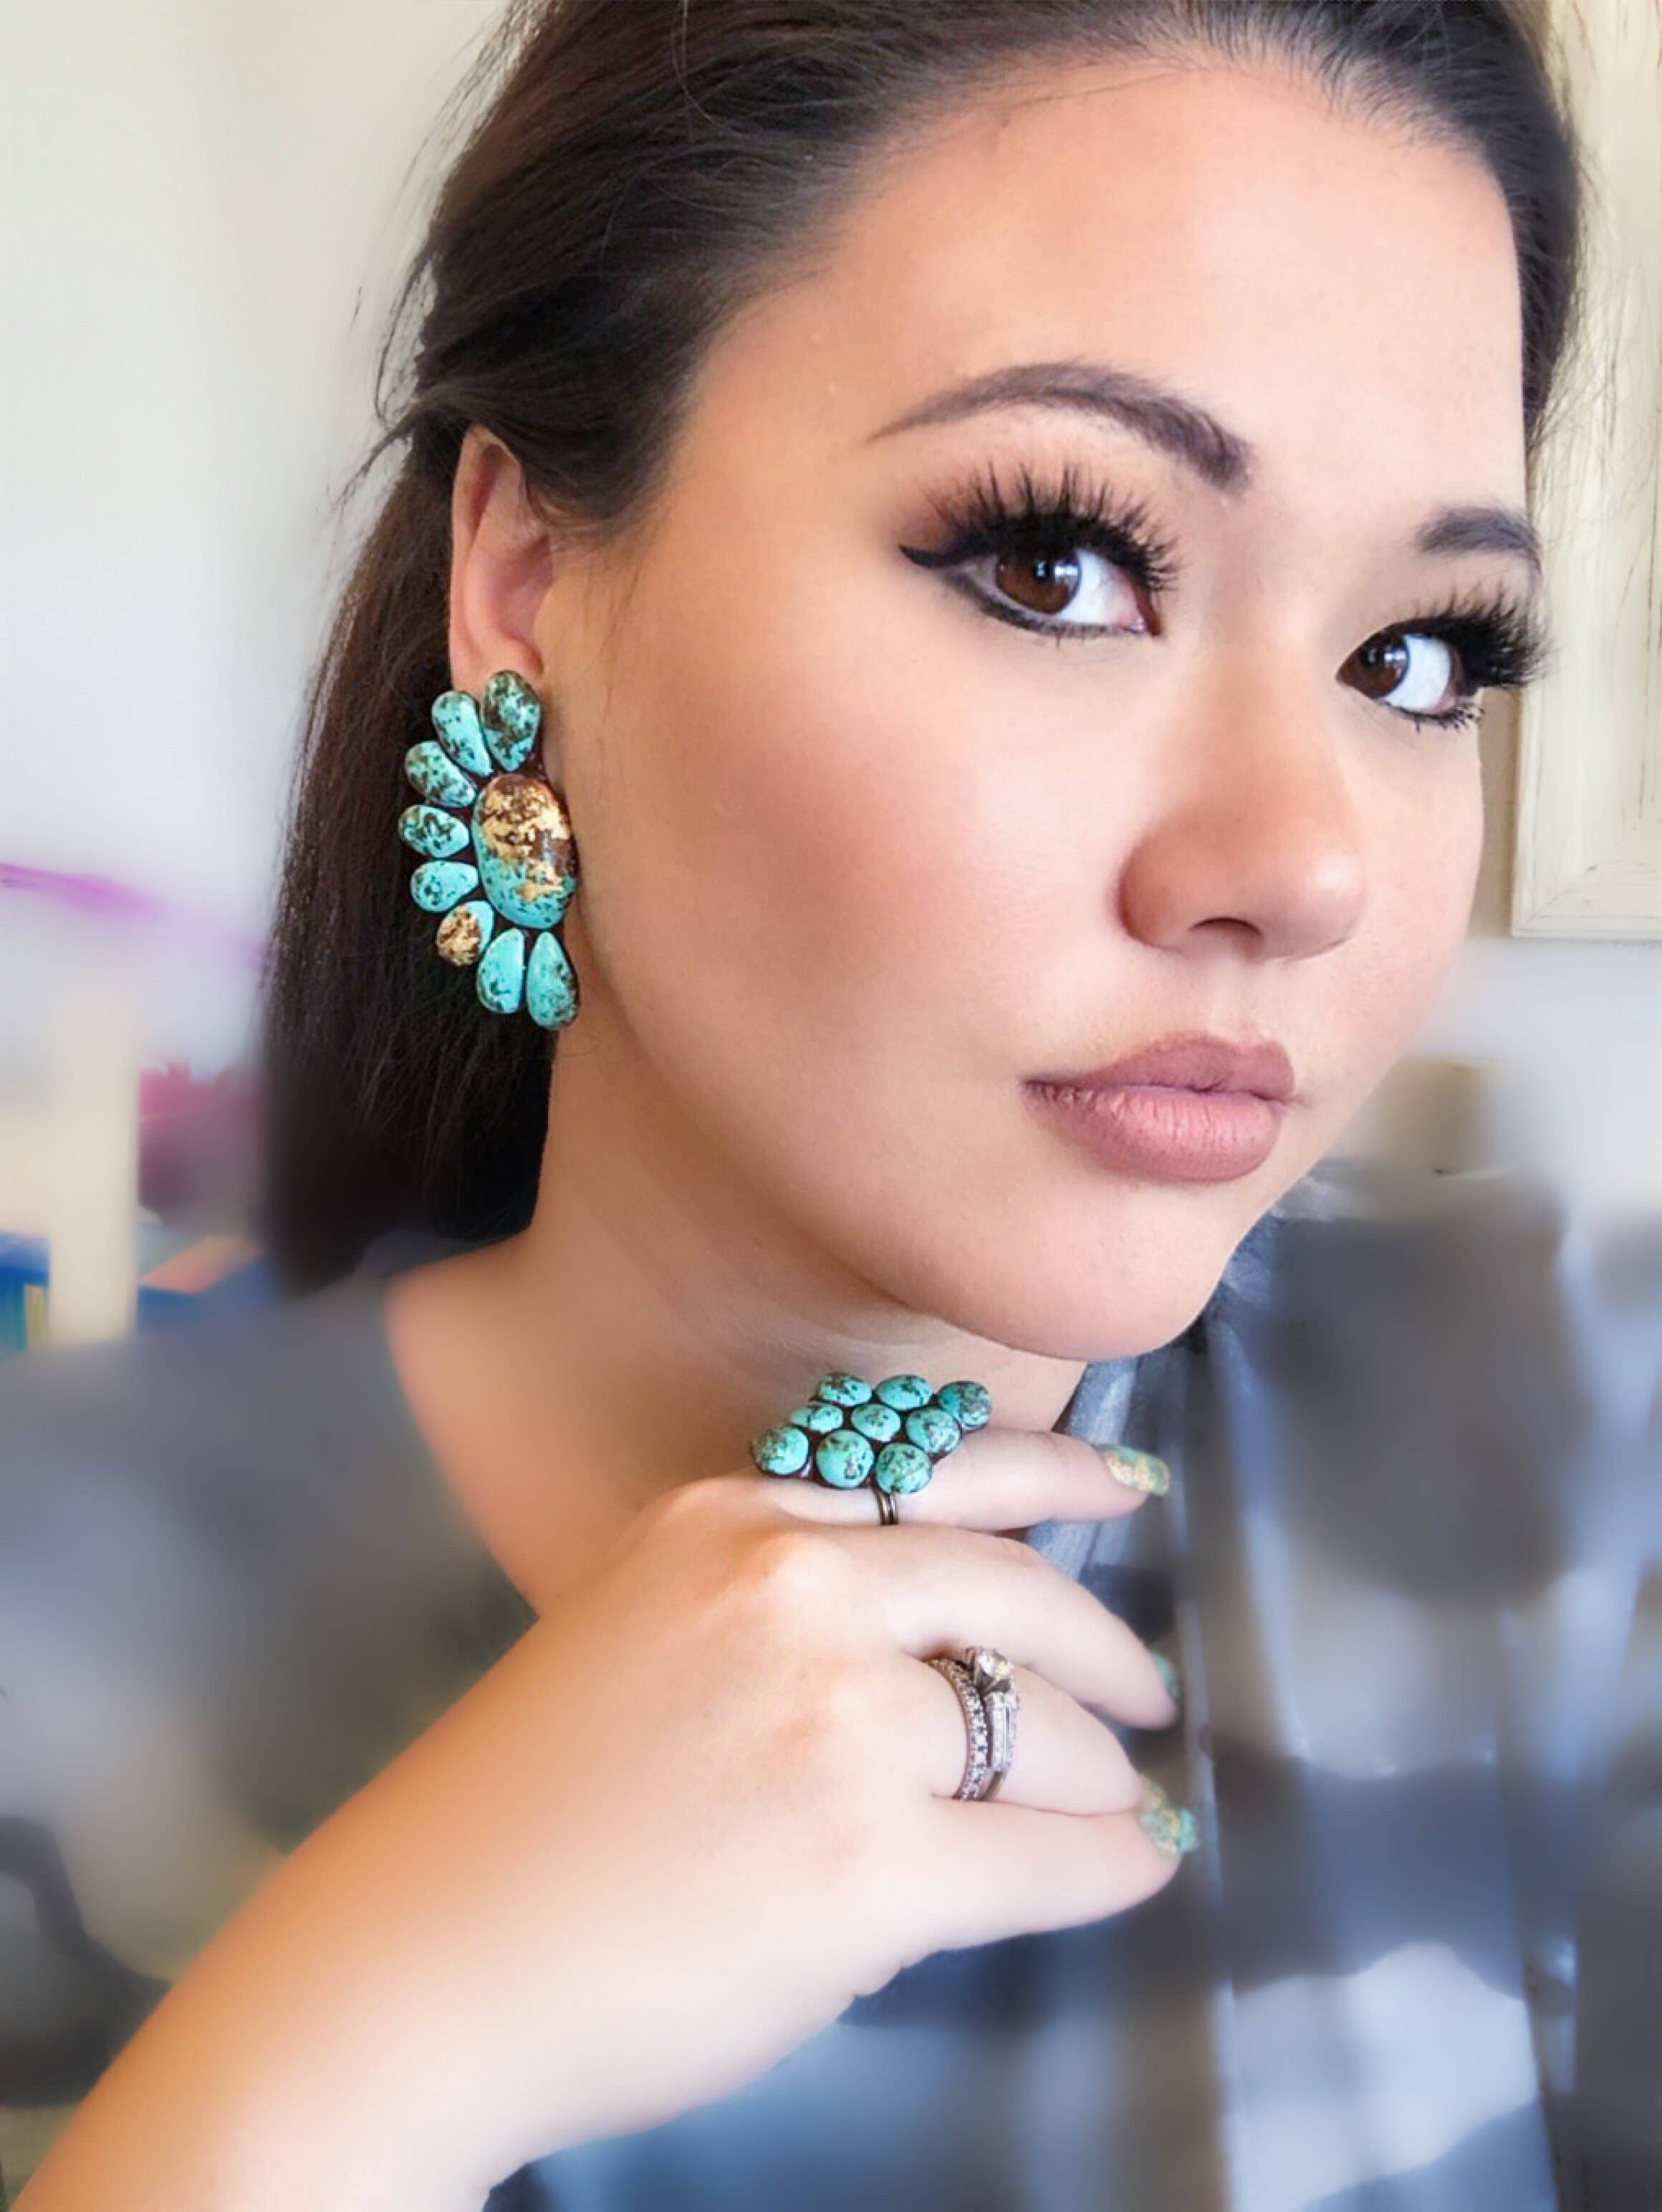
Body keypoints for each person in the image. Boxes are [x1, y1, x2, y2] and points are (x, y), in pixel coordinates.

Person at [4, 1, 1658, 2206]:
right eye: (1058, 561)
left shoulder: (1592, 1459)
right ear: (527, 583)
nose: (1306, 864)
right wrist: (360, 2045)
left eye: (1417, 657)